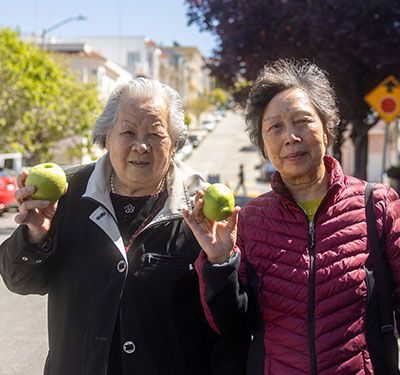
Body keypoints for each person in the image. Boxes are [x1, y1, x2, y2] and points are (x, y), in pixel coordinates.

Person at [0, 78, 249, 375]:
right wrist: (36, 235)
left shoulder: (200, 212)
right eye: (128, 132)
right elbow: (19, 281)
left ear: (174, 144)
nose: (141, 146)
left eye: (155, 134)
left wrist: (221, 263)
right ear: (107, 137)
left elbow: (233, 326)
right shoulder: (68, 195)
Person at [183, 59, 400, 374]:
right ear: (263, 144)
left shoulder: (377, 205)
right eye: (275, 127)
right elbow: (231, 326)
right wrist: (219, 264)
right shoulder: (248, 220)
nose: (291, 136)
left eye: (302, 121)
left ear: (326, 127)